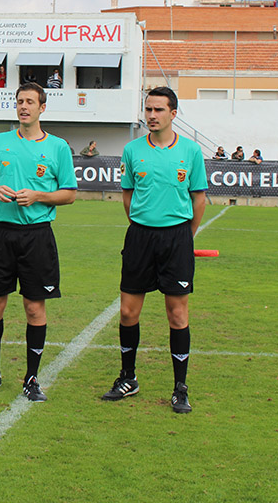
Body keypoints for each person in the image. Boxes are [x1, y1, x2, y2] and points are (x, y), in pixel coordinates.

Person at [102, 86, 207, 414]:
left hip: (176, 239)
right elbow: (128, 196)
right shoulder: (132, 150)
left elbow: (199, 199)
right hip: (140, 238)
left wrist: (185, 237)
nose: (151, 115)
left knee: (177, 314)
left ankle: (180, 387)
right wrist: (143, 225)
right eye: (148, 109)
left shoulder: (190, 152)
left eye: (158, 110)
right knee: (128, 312)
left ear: (173, 114)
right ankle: (128, 377)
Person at [0, 82, 77, 403]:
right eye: (19, 101)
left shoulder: (58, 147)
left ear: (42, 108)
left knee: (34, 307)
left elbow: (69, 194)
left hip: (38, 237)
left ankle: (32, 378)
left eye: (30, 102)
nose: (23, 107)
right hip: (1, 234)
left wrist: (39, 196)